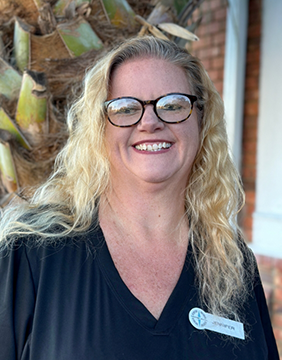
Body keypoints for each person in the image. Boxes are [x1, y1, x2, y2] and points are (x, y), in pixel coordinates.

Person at [0, 36, 279, 360]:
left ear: (201, 121)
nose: (150, 122)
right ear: (98, 128)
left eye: (173, 105)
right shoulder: (32, 252)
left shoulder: (233, 265)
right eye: (125, 108)